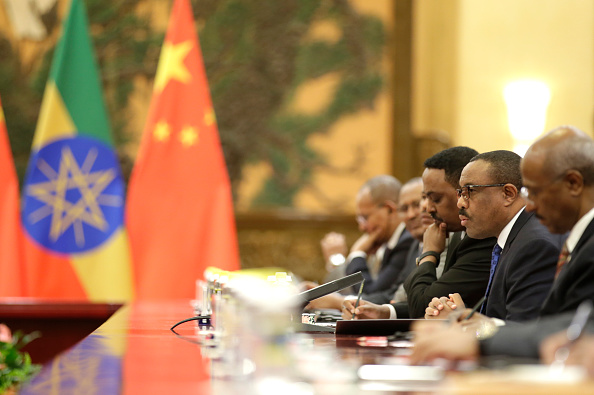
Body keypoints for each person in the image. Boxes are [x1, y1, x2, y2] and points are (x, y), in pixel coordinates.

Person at [410, 125, 594, 363]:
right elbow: (535, 328)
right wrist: (468, 322)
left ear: (573, 183)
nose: (531, 205)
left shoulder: (536, 244)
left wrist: (475, 335)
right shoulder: (516, 240)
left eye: (535, 192)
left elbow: (550, 333)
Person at [344, 147, 497, 319]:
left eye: (435, 199)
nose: (427, 208)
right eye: (425, 198)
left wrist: (429, 254)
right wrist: (387, 312)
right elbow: (422, 302)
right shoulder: (455, 234)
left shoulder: (482, 239)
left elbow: (423, 304)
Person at [425, 150, 563, 322]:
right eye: (460, 192)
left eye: (470, 191)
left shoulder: (534, 246)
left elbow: (521, 333)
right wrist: (463, 315)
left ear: (508, 194)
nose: (460, 202)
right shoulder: (515, 237)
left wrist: (464, 324)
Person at [306, 177, 425, 310]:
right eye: (404, 208)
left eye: (365, 217)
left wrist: (357, 253)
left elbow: (369, 293)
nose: (362, 227)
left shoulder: (408, 241)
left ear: (390, 210)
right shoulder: (384, 243)